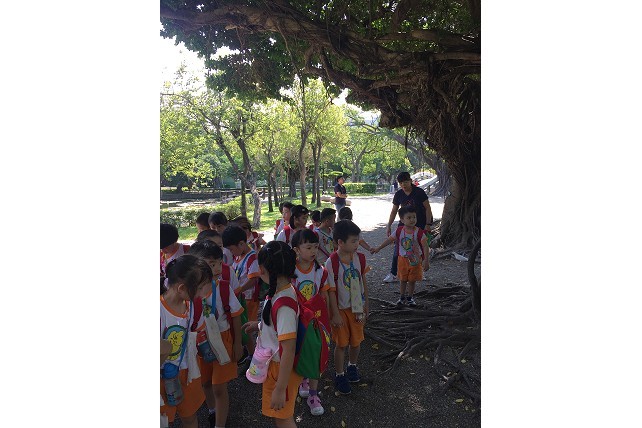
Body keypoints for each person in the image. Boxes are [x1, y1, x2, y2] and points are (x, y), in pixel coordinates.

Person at [241, 241, 302, 428]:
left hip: (280, 369)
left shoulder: (283, 304)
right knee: (278, 415)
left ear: (261, 269)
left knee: (283, 418)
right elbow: (280, 328)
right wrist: (260, 325)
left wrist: (280, 388)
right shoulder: (282, 290)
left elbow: (288, 349)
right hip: (277, 366)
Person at [188, 241, 244, 428]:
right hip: (199, 344)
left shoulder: (223, 288)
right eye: (212, 264)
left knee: (219, 387)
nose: (218, 268)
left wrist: (237, 344)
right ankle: (213, 411)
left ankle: (220, 424)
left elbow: (236, 316)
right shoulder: (189, 292)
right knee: (205, 383)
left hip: (223, 341)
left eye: (220, 262)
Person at [160, 255, 212, 428]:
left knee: (189, 416)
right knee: (164, 420)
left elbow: (196, 332)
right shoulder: (159, 311)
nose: (202, 293)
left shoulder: (193, 306)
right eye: (200, 288)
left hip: (187, 371)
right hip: (161, 377)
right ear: (182, 288)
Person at [324, 220, 370, 396]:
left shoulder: (360, 258)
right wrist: (335, 314)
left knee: (356, 341)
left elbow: (363, 281)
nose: (357, 244)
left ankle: (352, 366)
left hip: (357, 308)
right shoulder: (331, 262)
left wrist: (366, 304)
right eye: (353, 241)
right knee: (341, 344)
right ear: (340, 242)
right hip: (341, 310)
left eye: (358, 240)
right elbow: (331, 291)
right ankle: (340, 374)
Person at [291, 229, 330, 416]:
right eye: (309, 247)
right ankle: (302, 379)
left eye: (315, 247)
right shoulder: (290, 271)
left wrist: (329, 317)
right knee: (299, 351)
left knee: (316, 353)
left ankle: (313, 395)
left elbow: (323, 294)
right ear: (296, 250)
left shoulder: (320, 270)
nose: (314, 251)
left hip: (315, 321)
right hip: (296, 320)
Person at [372, 205, 429, 306]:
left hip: (415, 260)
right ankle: (402, 297)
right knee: (403, 279)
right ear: (402, 220)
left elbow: (425, 246)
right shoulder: (399, 231)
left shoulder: (419, 232)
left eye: (414, 217)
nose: (412, 220)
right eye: (409, 217)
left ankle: (410, 298)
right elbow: (389, 240)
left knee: (412, 280)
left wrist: (426, 260)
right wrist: (378, 248)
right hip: (402, 260)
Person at [383, 172, 433, 283]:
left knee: (419, 249)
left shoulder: (419, 192)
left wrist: (428, 224)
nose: (403, 185)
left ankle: (419, 271)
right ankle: (393, 273)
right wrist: (389, 225)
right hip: (404, 225)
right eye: (401, 183)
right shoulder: (399, 194)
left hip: (419, 224)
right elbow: (394, 211)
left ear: (410, 181)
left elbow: (428, 208)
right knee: (398, 250)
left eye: (405, 182)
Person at [223, 225, 260, 356]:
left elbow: (253, 279)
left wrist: (239, 290)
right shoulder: (238, 256)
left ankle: (253, 355)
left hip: (248, 299)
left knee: (247, 328)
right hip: (241, 297)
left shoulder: (252, 258)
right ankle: (250, 352)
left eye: (231, 249)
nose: (231, 252)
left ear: (241, 244)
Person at [161, 223, 191, 290]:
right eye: (160, 248)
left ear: (174, 240)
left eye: (166, 247)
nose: (163, 251)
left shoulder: (186, 250)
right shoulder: (161, 255)